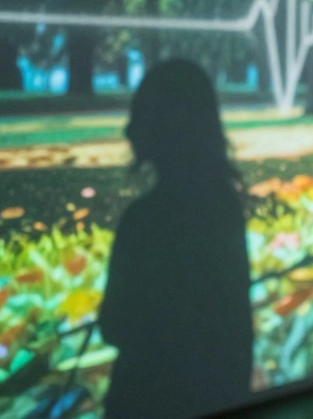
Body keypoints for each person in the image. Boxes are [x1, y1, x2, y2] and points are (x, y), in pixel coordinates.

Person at [98, 59, 254, 418]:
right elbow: (235, 331)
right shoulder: (224, 211)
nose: (128, 130)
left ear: (163, 126)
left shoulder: (144, 220)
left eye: (139, 115)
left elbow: (115, 325)